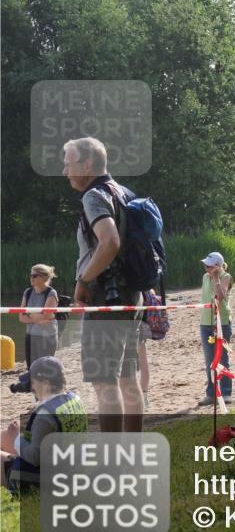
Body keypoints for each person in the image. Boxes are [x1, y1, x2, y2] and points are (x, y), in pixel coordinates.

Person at [62, 137, 143, 433]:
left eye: (69, 164)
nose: (65, 171)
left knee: (104, 381)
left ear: (87, 164)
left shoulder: (94, 196)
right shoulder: (123, 192)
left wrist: (84, 279)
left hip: (106, 299)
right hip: (131, 296)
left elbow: (109, 242)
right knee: (128, 378)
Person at [1, 357, 87, 495]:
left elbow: (35, 457)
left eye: (33, 382)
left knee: (2, 455)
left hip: (51, 479)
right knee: (4, 436)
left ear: (46, 383)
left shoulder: (45, 416)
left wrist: (15, 438)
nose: (31, 387)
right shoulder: (74, 398)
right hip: (72, 467)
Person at [197, 252, 234, 406]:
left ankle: (225, 393)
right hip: (205, 323)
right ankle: (211, 393)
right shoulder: (205, 277)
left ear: (218, 266)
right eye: (205, 265)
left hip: (221, 323)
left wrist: (217, 278)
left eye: (210, 265)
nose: (206, 268)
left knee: (222, 358)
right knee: (209, 360)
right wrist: (211, 276)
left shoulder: (226, 277)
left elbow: (220, 296)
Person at [18, 264, 59, 370]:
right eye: (31, 275)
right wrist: (39, 318)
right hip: (30, 335)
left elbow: (46, 316)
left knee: (45, 368)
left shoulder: (51, 293)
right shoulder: (27, 292)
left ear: (44, 277)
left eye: (35, 276)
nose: (31, 278)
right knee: (31, 368)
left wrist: (29, 314)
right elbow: (21, 317)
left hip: (46, 336)